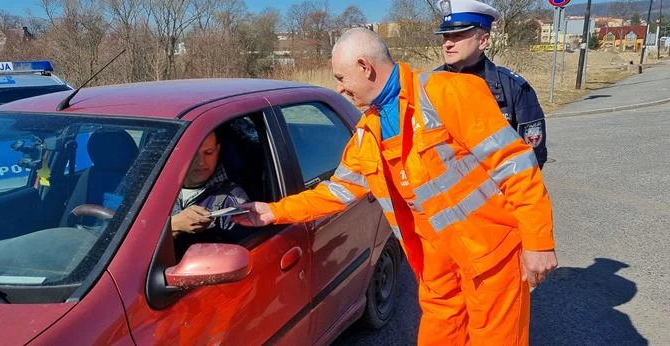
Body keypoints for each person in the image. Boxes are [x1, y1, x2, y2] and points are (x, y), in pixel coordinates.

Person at [235, 28, 557, 345]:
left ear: (365, 67)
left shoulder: (447, 92)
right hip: (437, 268)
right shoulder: (367, 135)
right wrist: (272, 211)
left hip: (492, 258)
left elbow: (515, 164)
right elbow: (334, 193)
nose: (340, 88)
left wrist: (538, 242)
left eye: (341, 77)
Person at [434, 0, 548, 168]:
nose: (448, 44)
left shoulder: (514, 88)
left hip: (500, 191)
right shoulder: (428, 85)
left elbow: (533, 157)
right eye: (445, 36)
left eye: (458, 35)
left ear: (483, 41)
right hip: (447, 192)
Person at [170, 130, 249, 244]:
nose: (201, 162)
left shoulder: (231, 200)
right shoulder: (153, 189)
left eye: (208, 152)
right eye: (193, 154)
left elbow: (241, 255)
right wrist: (174, 225)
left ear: (218, 150)